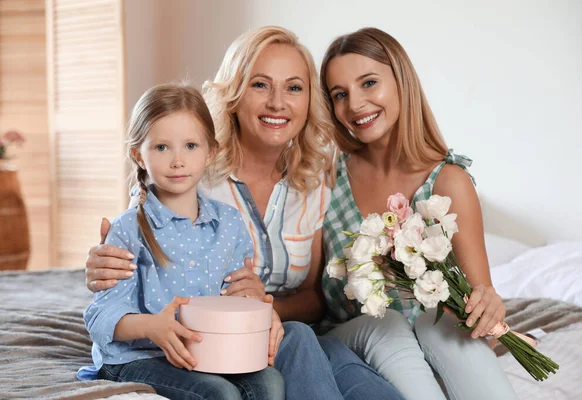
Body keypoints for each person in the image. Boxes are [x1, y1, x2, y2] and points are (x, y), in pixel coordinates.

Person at [82, 27, 404, 400]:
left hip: (272, 332)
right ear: (235, 93)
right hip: (214, 340)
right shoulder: (190, 175)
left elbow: (314, 296)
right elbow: (129, 252)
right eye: (260, 85)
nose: (278, 103)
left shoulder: (314, 178)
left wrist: (259, 306)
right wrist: (99, 266)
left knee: (338, 364)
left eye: (294, 87)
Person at [317, 27, 518, 400]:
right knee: (392, 324)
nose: (356, 104)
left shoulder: (449, 182)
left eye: (369, 83)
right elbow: (312, 293)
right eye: (340, 95)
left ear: (401, 82)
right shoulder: (326, 178)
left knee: (436, 324)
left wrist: (488, 310)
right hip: (351, 338)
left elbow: (479, 307)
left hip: (424, 340)